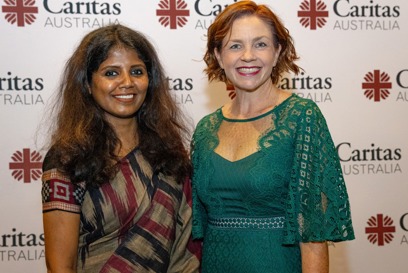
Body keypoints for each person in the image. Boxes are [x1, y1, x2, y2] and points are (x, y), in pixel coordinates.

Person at [191, 1, 354, 273]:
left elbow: (313, 234)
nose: (247, 56)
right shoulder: (205, 128)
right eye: (234, 46)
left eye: (260, 44)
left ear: (278, 52)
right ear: (219, 56)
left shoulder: (301, 117)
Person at [41, 24, 201, 273]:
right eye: (111, 73)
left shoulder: (168, 152)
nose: (127, 83)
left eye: (137, 71)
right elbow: (59, 266)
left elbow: (186, 246)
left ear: (150, 79)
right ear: (87, 83)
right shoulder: (67, 159)